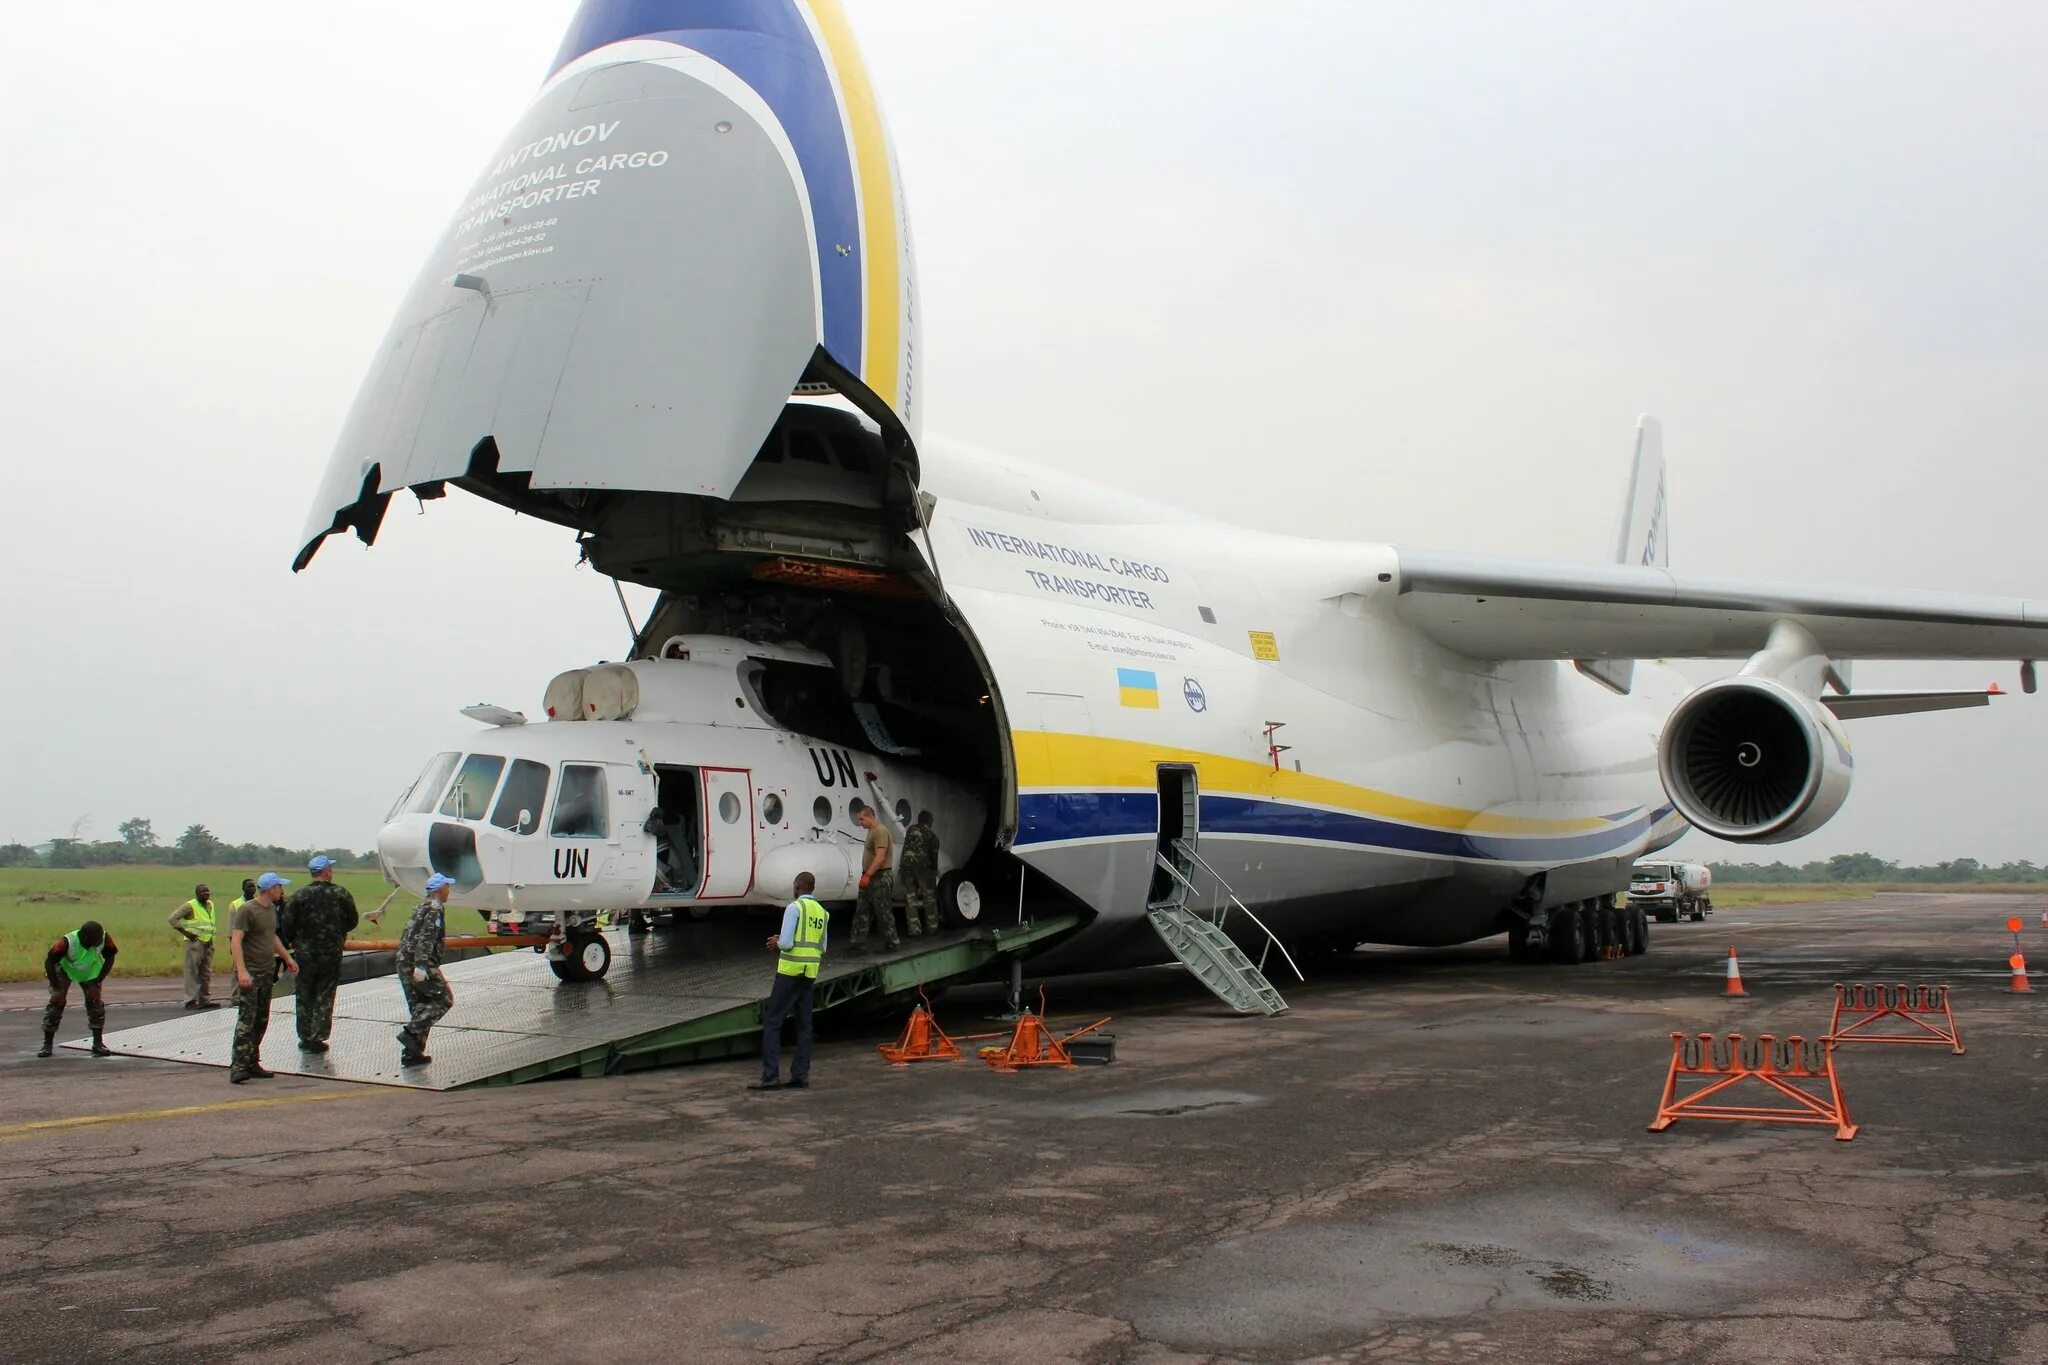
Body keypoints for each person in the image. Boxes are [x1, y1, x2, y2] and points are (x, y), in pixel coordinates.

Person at [751, 872, 829, 1091]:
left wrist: (777, 940)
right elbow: (823, 947)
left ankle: (771, 1078)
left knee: (773, 1022)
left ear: (797, 887)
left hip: (789, 972)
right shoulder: (822, 913)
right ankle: (800, 1075)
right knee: (804, 1025)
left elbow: (785, 943)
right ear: (812, 888)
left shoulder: (794, 908)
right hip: (809, 973)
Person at [278, 855, 358, 1054]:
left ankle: (304, 1035)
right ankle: (318, 1037)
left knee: (305, 993)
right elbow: (352, 920)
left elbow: (286, 924)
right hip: (331, 952)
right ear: (327, 871)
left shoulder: (299, 896)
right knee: (325, 993)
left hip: (305, 953)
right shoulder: (340, 894)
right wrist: (338, 932)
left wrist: (297, 940)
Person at [228, 873, 298, 1084]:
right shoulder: (247, 910)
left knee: (261, 1018)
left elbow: (272, 936)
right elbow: (236, 940)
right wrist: (242, 971)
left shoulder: (271, 910)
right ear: (270, 889)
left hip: (267, 971)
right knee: (246, 1019)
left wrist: (287, 958)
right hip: (251, 972)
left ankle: (252, 1061)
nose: (282, 891)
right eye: (279, 887)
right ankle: (238, 1066)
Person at [396, 874, 457, 1067]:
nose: (449, 891)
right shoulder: (434, 909)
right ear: (440, 890)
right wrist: (421, 966)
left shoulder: (421, 906)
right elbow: (426, 937)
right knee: (444, 999)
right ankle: (411, 1032)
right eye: (448, 887)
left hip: (404, 961)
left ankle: (412, 1053)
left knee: (420, 1007)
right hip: (419, 963)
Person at [38, 921, 118, 1058]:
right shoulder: (66, 942)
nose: (99, 943)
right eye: (95, 941)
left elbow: (110, 957)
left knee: (95, 1003)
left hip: (90, 973)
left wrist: (98, 982)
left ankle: (98, 1044)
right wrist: (57, 988)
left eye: (100, 940)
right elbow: (49, 961)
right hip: (64, 971)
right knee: (57, 1002)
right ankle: (47, 1045)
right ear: (85, 938)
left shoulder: (105, 939)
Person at [848, 806, 898, 951]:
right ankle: (857, 940)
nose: (860, 822)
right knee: (862, 908)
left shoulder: (880, 831)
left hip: (880, 876)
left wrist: (868, 875)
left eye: (862, 819)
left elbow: (880, 856)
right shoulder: (871, 831)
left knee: (883, 910)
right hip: (870, 875)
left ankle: (891, 940)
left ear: (870, 817)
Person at [167, 882, 224, 1010]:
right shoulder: (190, 905)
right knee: (192, 972)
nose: (206, 894)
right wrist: (185, 932)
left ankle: (205, 999)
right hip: (194, 943)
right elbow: (173, 919)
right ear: (197, 894)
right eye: (203, 891)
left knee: (206, 973)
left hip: (208, 943)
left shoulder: (210, 905)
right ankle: (190, 1000)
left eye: (207, 891)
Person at [901, 810, 941, 939]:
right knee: (929, 899)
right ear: (929, 821)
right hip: (924, 871)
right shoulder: (932, 836)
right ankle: (932, 928)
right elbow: (934, 856)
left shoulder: (910, 830)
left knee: (910, 899)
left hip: (907, 868)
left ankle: (914, 929)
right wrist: (934, 871)